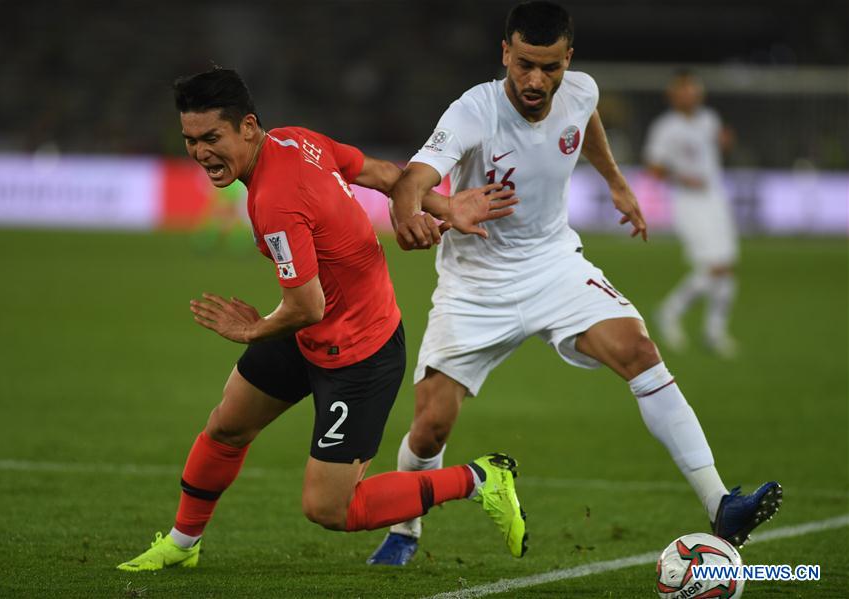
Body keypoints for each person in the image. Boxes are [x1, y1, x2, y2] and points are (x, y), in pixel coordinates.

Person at [368, 1, 781, 566]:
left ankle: (719, 503)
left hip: (555, 264)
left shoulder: (582, 90)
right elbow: (413, 178)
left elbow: (584, 121)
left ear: (568, 60)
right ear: (505, 54)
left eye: (550, 68)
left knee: (638, 349)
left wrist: (614, 181)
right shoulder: (474, 110)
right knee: (431, 426)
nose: (536, 81)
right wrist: (411, 215)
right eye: (524, 66)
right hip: (475, 284)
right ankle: (405, 530)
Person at [117, 67, 526, 571]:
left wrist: (249, 330)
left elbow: (308, 304)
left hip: (359, 352)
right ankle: (182, 544)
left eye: (211, 137)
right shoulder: (295, 140)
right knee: (226, 427)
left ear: (247, 126)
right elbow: (380, 174)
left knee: (330, 508)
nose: (201, 153)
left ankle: (481, 479)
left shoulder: (273, 202)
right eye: (190, 140)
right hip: (306, 332)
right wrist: (442, 204)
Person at [645, 70, 740, 357]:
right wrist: (682, 177)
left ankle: (714, 330)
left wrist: (725, 143)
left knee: (727, 266)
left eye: (692, 89)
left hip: (715, 198)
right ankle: (670, 312)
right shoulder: (665, 127)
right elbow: (654, 167)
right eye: (682, 90)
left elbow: (713, 152)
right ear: (673, 95)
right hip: (688, 203)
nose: (689, 94)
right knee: (713, 267)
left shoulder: (709, 119)